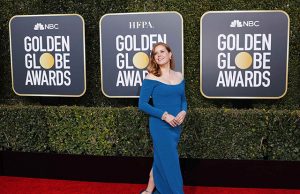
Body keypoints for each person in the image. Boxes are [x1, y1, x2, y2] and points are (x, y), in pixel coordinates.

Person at [138, 42, 187, 194]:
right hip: (160, 126)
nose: (158, 55)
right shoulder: (151, 77)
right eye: (155, 53)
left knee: (161, 158)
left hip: (176, 125)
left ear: (170, 54)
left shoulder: (179, 76)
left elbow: (183, 99)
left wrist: (183, 112)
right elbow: (142, 104)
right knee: (171, 160)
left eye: (162, 51)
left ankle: (148, 190)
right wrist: (164, 115)